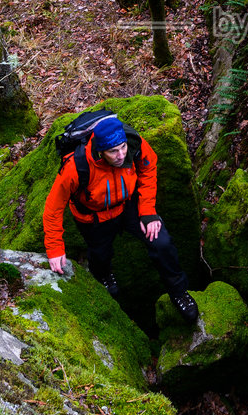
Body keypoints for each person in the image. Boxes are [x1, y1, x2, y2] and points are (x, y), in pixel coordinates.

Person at [42, 113, 199, 323]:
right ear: (100, 151)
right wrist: (54, 249)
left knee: (162, 243)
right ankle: (105, 276)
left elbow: (148, 166)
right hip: (94, 217)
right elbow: (53, 207)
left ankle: (179, 292)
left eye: (123, 148)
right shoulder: (76, 167)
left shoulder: (133, 144)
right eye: (113, 151)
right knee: (99, 256)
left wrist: (148, 211)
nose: (121, 155)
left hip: (128, 205)